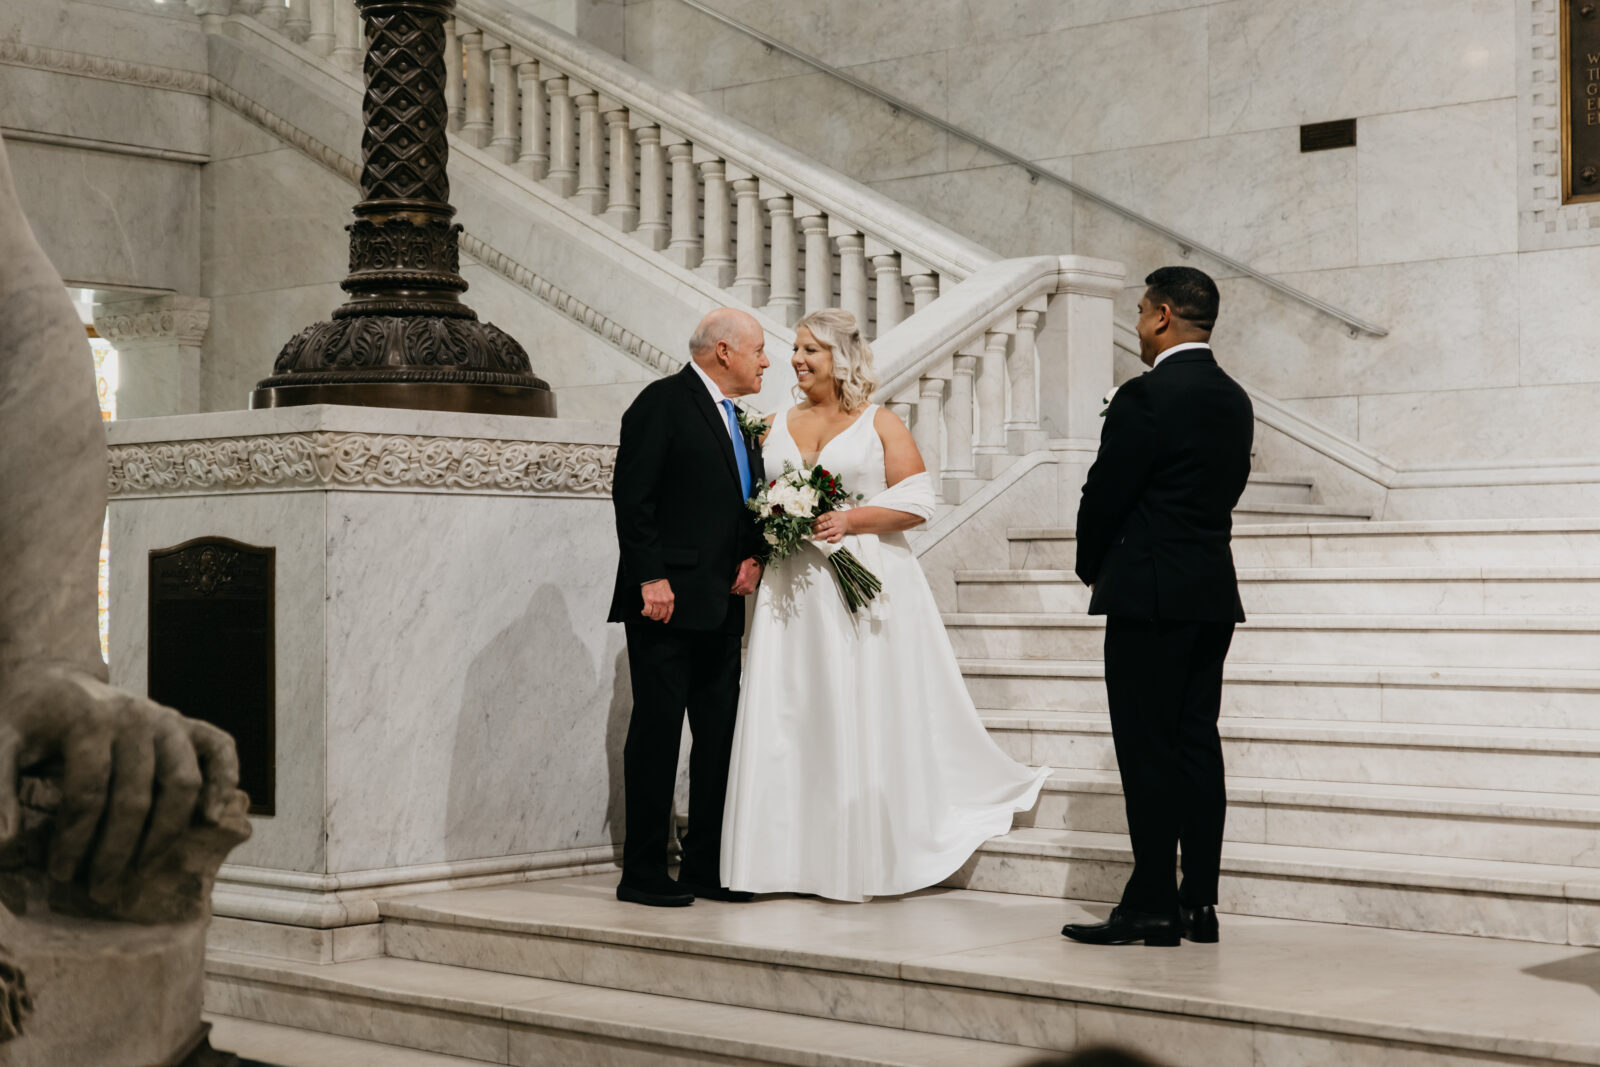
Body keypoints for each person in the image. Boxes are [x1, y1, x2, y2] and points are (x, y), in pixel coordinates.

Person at [720, 308, 1049, 901]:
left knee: (857, 702)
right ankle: (780, 857)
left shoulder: (880, 423)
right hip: (791, 590)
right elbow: (753, 502)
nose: (796, 360)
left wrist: (850, 518)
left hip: (862, 582)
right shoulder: (767, 426)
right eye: (795, 349)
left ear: (841, 358)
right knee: (792, 710)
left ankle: (859, 848)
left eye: (811, 350)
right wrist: (767, 536)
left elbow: (919, 502)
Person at [1061, 266, 1253, 947]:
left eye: (1141, 311)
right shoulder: (1235, 398)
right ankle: (1199, 901)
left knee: (1147, 750)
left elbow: (1105, 490)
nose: (1138, 325)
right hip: (1209, 592)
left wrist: (1093, 566)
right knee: (1197, 744)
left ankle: (1151, 904)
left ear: (1164, 315)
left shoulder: (1147, 396)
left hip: (1147, 594)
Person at [607, 308, 769, 907]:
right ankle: (643, 873)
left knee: (720, 738)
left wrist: (754, 557)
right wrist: (650, 577)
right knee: (656, 736)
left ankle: (706, 866)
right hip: (665, 605)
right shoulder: (663, 401)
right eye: (758, 350)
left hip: (724, 607)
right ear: (723, 351)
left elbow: (743, 504)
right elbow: (633, 495)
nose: (767, 362)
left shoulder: (741, 420)